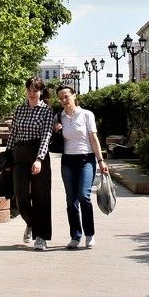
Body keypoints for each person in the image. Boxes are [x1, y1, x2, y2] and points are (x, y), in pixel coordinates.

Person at [55, 85, 108, 250]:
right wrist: (55, 130)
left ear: (74, 95)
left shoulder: (86, 114)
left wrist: (101, 160)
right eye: (61, 98)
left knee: (84, 196)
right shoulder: (59, 117)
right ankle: (75, 236)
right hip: (68, 161)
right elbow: (53, 139)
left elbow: (93, 138)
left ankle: (90, 235)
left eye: (66, 96)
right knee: (71, 201)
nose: (64, 100)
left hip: (86, 160)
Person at [6, 76, 54, 250]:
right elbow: (13, 134)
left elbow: (46, 136)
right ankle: (31, 223)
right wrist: (8, 156)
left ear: (41, 92)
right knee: (21, 196)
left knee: (41, 197)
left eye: (35, 90)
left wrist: (39, 159)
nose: (32, 94)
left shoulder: (47, 111)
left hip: (38, 153)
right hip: (20, 154)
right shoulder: (19, 109)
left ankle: (41, 237)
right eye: (29, 90)